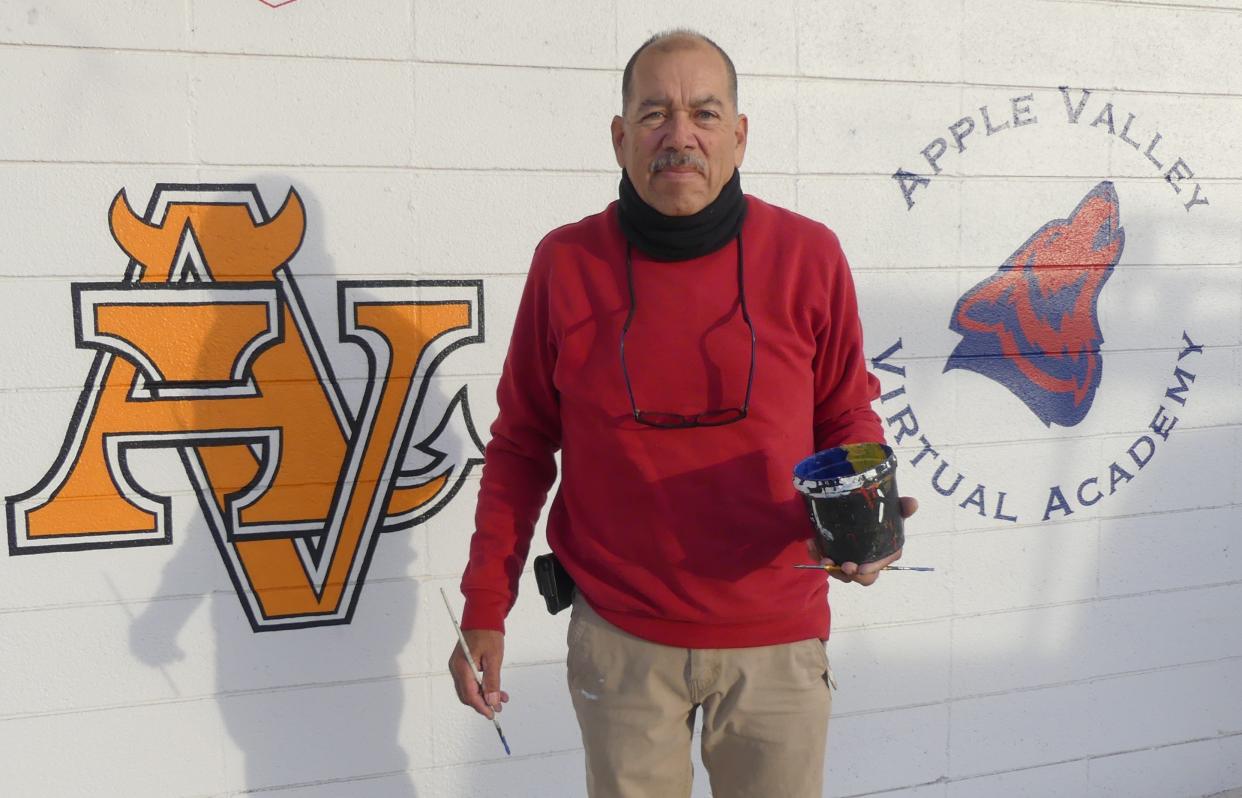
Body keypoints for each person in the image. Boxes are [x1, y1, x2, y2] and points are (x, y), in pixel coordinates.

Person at [449, 29, 916, 798]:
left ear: (739, 134)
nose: (680, 135)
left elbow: (846, 417)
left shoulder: (808, 255)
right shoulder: (565, 263)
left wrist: (869, 516)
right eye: (655, 113)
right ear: (619, 136)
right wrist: (483, 607)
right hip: (620, 639)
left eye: (703, 112)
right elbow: (521, 446)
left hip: (777, 636)